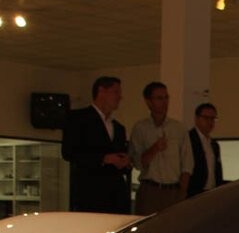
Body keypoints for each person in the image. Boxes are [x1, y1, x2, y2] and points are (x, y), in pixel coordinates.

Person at [61, 76, 130, 213]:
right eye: (116, 92)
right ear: (101, 91)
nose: (120, 97)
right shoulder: (78, 118)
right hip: (90, 192)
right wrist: (103, 158)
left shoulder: (118, 128)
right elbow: (68, 152)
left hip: (115, 195)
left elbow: (120, 155)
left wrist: (124, 162)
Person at [130, 81, 191, 214]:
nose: (164, 102)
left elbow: (187, 163)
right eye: (159, 98)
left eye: (166, 98)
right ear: (148, 102)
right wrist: (155, 148)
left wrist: (182, 192)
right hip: (150, 190)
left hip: (174, 190)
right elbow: (138, 163)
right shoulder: (140, 128)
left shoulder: (179, 128)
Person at [186, 103, 222, 196]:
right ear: (196, 119)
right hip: (193, 192)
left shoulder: (214, 145)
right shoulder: (188, 140)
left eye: (213, 119)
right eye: (206, 118)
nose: (210, 122)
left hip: (211, 192)